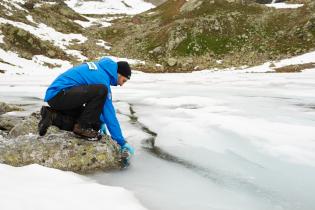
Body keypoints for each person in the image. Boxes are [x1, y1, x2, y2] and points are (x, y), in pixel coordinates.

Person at [38, 57, 134, 155]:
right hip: (58, 95)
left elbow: (95, 107)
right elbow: (109, 112)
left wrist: (99, 122)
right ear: (118, 74)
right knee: (102, 90)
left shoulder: (100, 70)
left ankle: (53, 117)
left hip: (62, 98)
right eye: (124, 80)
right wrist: (121, 142)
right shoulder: (101, 77)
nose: (122, 84)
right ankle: (82, 127)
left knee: (94, 124)